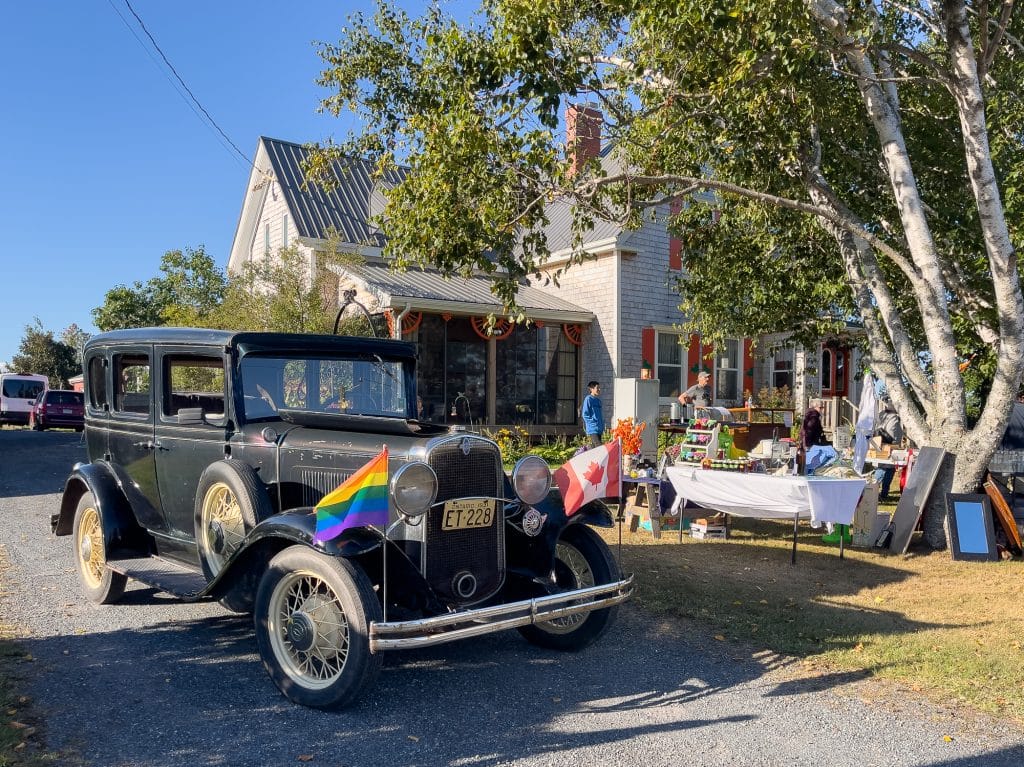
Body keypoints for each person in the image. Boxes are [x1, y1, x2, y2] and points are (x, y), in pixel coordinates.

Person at [873, 397, 903, 500]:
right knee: (883, 469)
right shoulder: (893, 417)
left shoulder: (882, 414)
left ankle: (883, 493)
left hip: (879, 443)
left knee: (888, 469)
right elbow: (892, 433)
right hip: (889, 446)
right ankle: (872, 491)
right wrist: (896, 443)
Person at [581, 380, 604, 448]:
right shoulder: (588, 399)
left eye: (599, 388)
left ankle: (587, 457)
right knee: (600, 448)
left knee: (594, 449)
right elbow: (585, 414)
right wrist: (593, 423)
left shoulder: (598, 401)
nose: (599, 389)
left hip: (599, 429)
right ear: (591, 389)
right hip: (593, 429)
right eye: (597, 388)